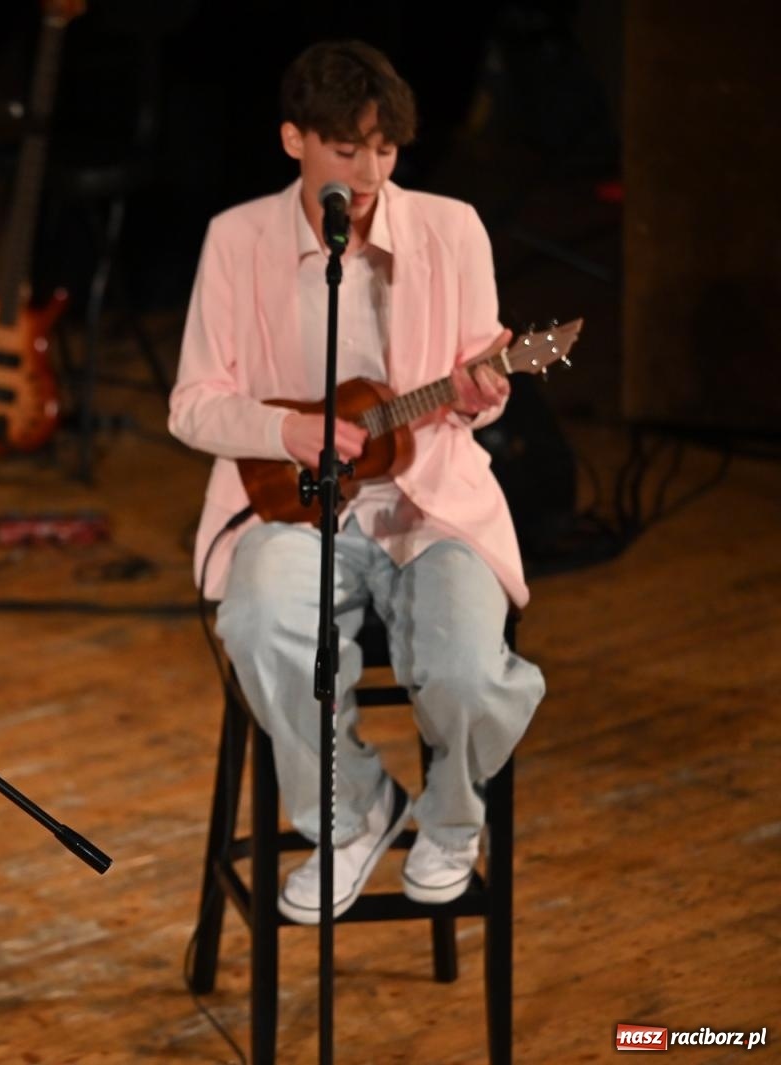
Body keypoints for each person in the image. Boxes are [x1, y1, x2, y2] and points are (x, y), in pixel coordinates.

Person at [168, 41, 544, 923]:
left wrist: (485, 389)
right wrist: (284, 429)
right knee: (259, 625)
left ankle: (452, 820)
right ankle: (350, 812)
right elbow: (192, 405)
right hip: (293, 506)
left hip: (431, 498)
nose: (369, 170)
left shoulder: (453, 228)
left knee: (463, 670)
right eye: (347, 149)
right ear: (294, 140)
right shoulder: (237, 240)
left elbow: (475, 377)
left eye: (385, 149)